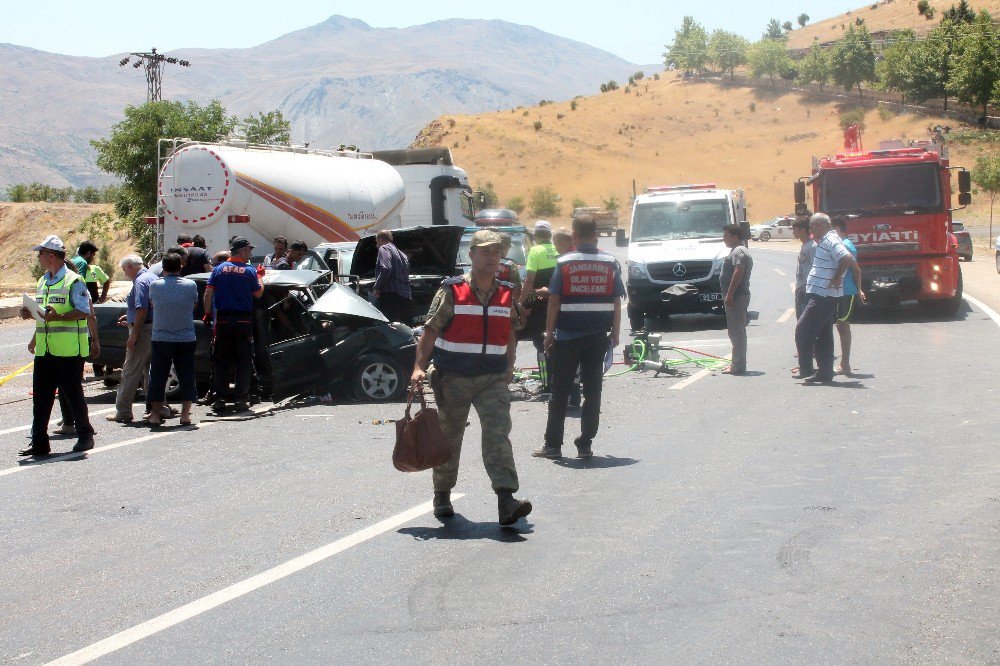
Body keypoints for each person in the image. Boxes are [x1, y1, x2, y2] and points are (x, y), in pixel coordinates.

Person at [409, 229, 532, 525]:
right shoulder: (452, 291)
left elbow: (511, 332)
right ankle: (442, 493)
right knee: (450, 436)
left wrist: (510, 365)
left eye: (497, 252)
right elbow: (430, 331)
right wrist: (418, 367)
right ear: (472, 255)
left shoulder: (505, 292)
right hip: (454, 378)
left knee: (497, 433)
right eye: (486, 252)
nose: (493, 257)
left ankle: (506, 500)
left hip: (492, 378)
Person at [534, 217, 624, 459]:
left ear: (574, 236)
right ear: (596, 235)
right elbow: (616, 301)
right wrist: (615, 332)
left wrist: (549, 333)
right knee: (593, 392)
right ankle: (585, 444)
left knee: (560, 391)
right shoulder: (610, 262)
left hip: (567, 338)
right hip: (597, 338)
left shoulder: (564, 262)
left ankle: (553, 446)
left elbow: (554, 300)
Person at [19, 235, 95, 456]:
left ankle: (85, 435)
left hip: (68, 350)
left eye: (40, 254)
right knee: (41, 398)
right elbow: (43, 314)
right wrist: (29, 313)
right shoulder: (43, 281)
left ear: (51, 255)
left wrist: (57, 317)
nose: (39, 258)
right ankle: (39, 442)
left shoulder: (73, 280)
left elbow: (85, 311)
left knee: (73, 395)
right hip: (46, 350)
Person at [794, 213, 865, 383]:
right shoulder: (825, 240)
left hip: (823, 295)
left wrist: (837, 277)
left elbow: (846, 257)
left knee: (802, 330)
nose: (810, 230)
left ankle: (806, 369)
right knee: (822, 334)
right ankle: (825, 372)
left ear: (821, 226)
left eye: (812, 227)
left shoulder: (831, 240)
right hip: (821, 293)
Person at [204, 236, 263, 413]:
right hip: (243, 320)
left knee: (221, 360)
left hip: (222, 320)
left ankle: (220, 397)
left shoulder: (219, 269)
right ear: (243, 251)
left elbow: (208, 293)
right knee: (243, 360)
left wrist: (207, 313)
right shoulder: (250, 271)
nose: (250, 253)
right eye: (249, 250)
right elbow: (258, 294)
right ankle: (240, 398)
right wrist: (260, 277)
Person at [147, 252, 199, 426]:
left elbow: (153, 305)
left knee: (158, 375)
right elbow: (193, 306)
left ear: (163, 268)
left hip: (161, 336)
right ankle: (185, 414)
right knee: (187, 375)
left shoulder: (155, 285)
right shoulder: (190, 285)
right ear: (181, 266)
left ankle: (155, 414)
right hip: (185, 336)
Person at [108, 254, 158, 422]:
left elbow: (142, 309)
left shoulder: (140, 281)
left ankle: (123, 411)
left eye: (124, 270)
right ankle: (157, 408)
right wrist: (129, 317)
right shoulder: (152, 276)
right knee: (151, 371)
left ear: (130, 267)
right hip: (154, 328)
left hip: (143, 331)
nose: (124, 273)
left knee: (130, 371)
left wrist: (134, 333)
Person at [519, 221, 558, 393]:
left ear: (535, 237)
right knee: (557, 341)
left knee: (540, 344)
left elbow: (528, 281)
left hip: (540, 304)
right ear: (550, 236)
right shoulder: (558, 250)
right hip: (557, 301)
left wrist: (520, 303)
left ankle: (547, 383)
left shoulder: (535, 251)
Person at [831, 218, 865, 376]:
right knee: (840, 326)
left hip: (846, 291)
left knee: (843, 326)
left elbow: (856, 270)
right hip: (840, 291)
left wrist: (859, 290)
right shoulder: (842, 244)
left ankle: (845, 364)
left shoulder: (845, 245)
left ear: (837, 229)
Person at [721, 224, 753, 375]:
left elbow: (738, 272)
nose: (723, 239)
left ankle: (738, 365)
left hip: (737, 296)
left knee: (737, 331)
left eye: (726, 236)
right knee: (735, 331)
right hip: (737, 296)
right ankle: (737, 363)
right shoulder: (737, 251)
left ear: (735, 237)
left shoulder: (738, 251)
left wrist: (730, 294)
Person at [373, 230, 413, 324]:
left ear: (380, 239)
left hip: (391, 296)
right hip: (405, 296)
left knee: (390, 328)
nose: (376, 245)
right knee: (403, 329)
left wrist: (377, 287)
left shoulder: (384, 248)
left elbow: (386, 268)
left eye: (376, 242)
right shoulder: (402, 254)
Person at [792, 219, 816, 319]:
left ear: (802, 230)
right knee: (801, 320)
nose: (793, 232)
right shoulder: (805, 246)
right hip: (801, 288)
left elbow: (815, 267)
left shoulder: (812, 246)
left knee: (806, 322)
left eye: (795, 229)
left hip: (807, 289)